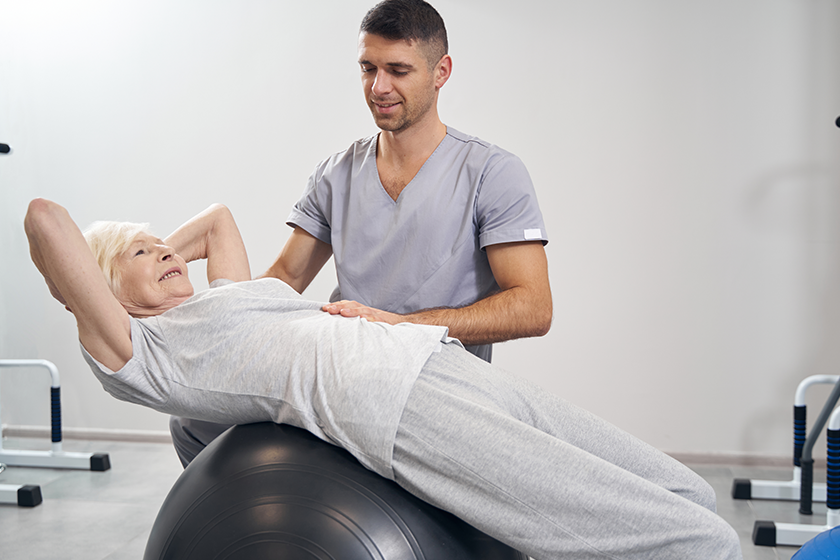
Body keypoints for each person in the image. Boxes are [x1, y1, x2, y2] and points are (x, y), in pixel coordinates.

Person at [24, 198, 743, 560]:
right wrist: (103, 279)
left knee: (685, 492)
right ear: (98, 292)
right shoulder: (142, 350)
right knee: (676, 537)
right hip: (391, 408)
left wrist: (148, 253)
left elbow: (217, 220)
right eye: (142, 254)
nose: (165, 251)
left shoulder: (225, 297)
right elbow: (44, 220)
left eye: (162, 245)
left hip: (433, 359)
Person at [170, 0, 554, 467]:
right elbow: (286, 277)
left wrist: (400, 327)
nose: (379, 87)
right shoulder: (336, 173)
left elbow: (533, 307)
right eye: (368, 68)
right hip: (340, 373)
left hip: (431, 388)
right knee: (192, 421)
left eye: (398, 70)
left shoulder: (492, 173)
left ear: (441, 72)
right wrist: (201, 324)